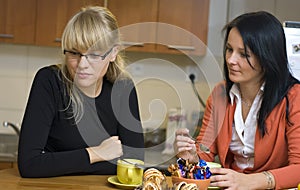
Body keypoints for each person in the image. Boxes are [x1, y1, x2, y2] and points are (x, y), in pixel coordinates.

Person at [174, 11, 300, 189]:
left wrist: (251, 181)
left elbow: (298, 168)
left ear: (267, 57)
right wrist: (191, 156)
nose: (231, 60)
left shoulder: (294, 97)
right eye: (229, 49)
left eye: (244, 54)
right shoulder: (220, 94)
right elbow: (205, 154)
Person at [18, 6, 144, 178]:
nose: (82, 64)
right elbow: (30, 164)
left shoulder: (123, 88)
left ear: (113, 52)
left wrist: (60, 163)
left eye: (93, 55)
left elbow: (134, 163)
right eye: (74, 53)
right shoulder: (49, 81)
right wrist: (96, 154)